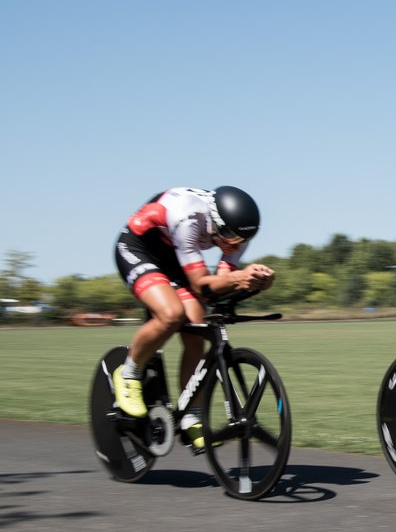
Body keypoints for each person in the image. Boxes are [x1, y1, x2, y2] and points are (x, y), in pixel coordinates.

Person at [111, 186, 276, 451]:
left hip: (174, 256)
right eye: (228, 236)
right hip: (139, 247)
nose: (231, 244)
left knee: (197, 329)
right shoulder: (187, 215)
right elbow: (201, 285)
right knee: (171, 315)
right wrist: (237, 277)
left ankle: (190, 416)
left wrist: (255, 283)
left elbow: (221, 286)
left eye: (239, 241)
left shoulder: (237, 233)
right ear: (214, 219)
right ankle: (129, 374)